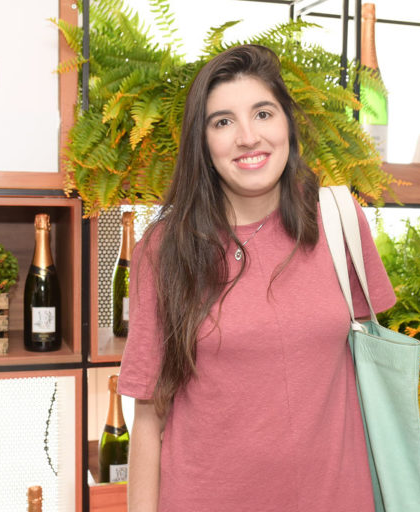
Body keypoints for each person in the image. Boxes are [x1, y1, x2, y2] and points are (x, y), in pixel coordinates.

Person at [117, 44, 396, 511]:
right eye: (222, 122)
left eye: (263, 114)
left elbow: (368, 371)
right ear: (202, 142)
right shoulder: (165, 250)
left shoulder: (339, 222)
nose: (248, 137)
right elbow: (148, 416)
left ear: (287, 124)